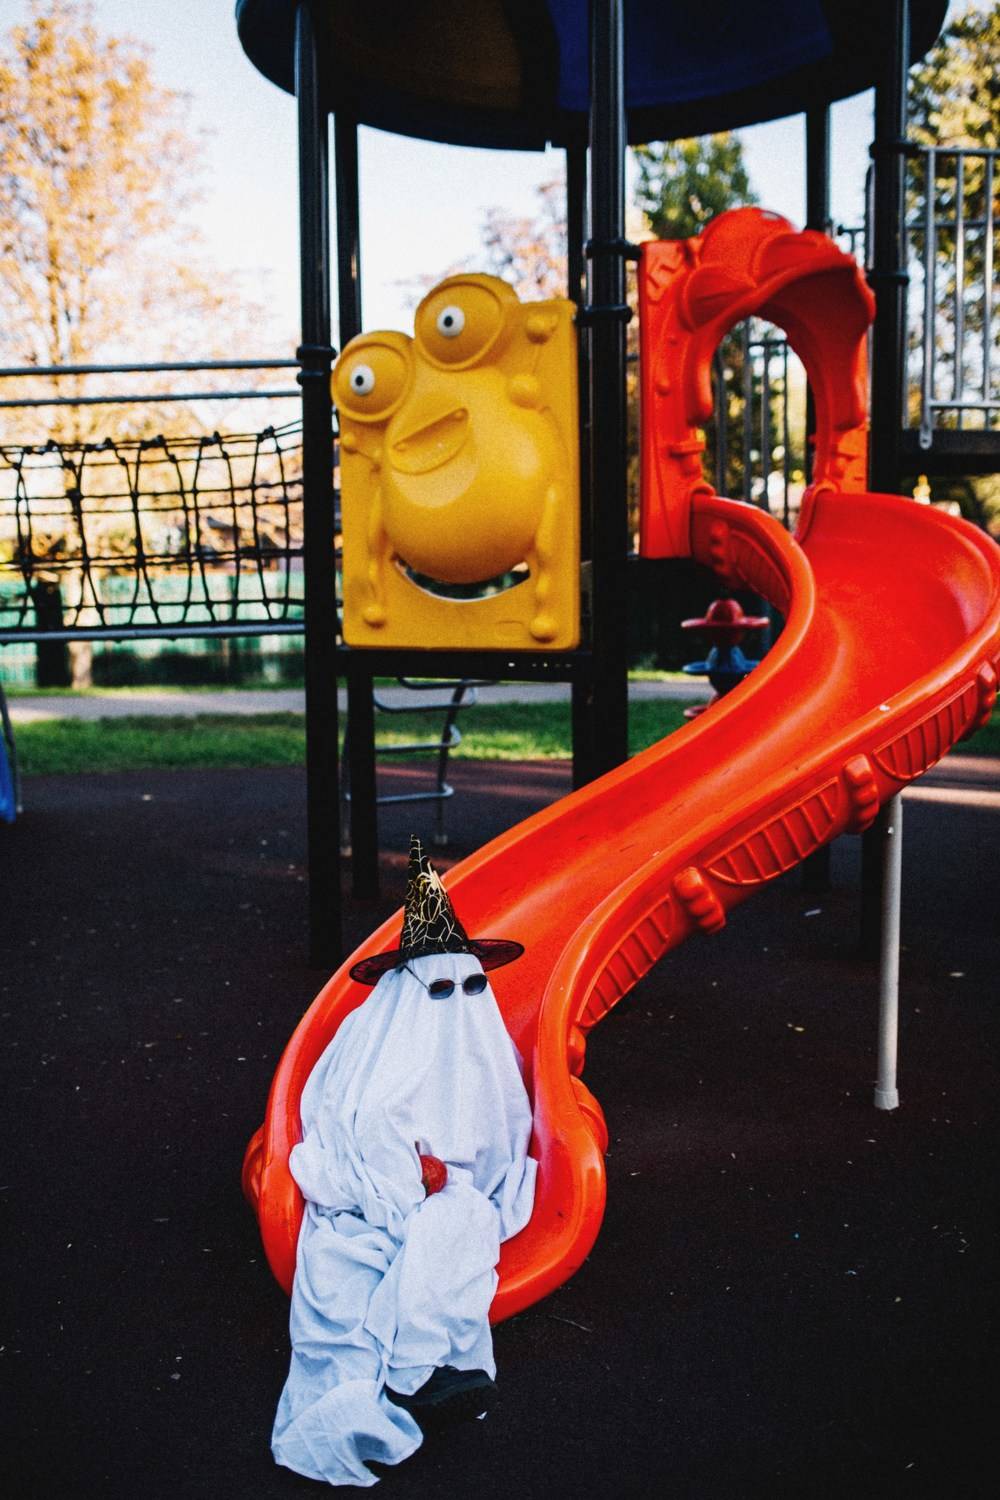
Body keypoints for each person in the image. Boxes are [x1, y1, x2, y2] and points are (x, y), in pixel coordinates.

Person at [272, 836, 537, 1487]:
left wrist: (451, 1182)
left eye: (472, 985)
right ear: (405, 990)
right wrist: (402, 1182)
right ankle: (422, 1370)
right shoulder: (373, 1042)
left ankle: (420, 1369)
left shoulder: (483, 1043)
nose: (460, 999)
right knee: (401, 1239)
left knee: (463, 1214)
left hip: (448, 1198)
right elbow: (343, 1126)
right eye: (440, 988)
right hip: (379, 1197)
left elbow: (504, 1133)